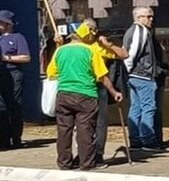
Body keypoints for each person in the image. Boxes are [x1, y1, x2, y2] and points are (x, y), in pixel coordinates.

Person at [46, 22, 123, 170]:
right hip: (86, 94)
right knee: (85, 130)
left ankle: (64, 163)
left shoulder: (60, 51)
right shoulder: (90, 51)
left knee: (64, 130)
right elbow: (102, 76)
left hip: (64, 94)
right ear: (87, 35)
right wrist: (114, 92)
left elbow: (51, 73)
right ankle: (87, 163)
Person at [83, 19, 128, 165]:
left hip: (99, 85)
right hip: (81, 87)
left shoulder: (99, 46)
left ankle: (98, 153)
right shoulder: (76, 45)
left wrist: (109, 45)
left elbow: (124, 54)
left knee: (100, 122)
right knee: (82, 123)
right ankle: (83, 153)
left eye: (91, 29)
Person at [0, 10, 30, 151]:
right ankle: (3, 139)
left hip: (12, 73)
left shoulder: (18, 38)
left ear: (7, 24)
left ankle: (16, 138)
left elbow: (26, 57)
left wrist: (6, 58)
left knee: (14, 106)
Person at [122, 6, 161, 152]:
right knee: (148, 108)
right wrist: (130, 69)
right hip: (142, 75)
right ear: (139, 18)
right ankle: (148, 140)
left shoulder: (131, 31)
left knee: (135, 108)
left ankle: (135, 140)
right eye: (148, 16)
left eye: (151, 16)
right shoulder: (140, 30)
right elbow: (131, 53)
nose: (151, 19)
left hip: (134, 75)